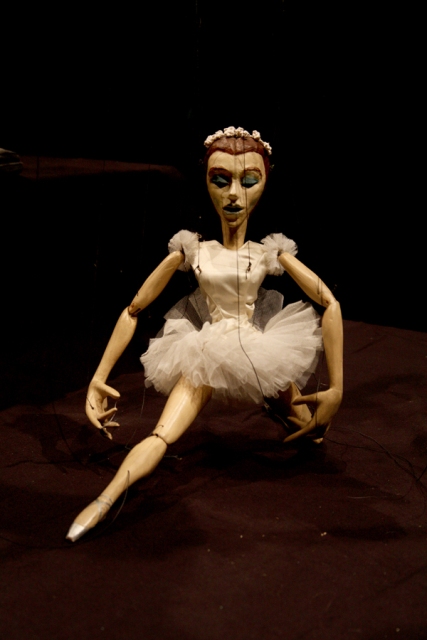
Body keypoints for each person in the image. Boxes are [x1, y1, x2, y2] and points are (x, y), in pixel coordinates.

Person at [66, 126, 343, 542]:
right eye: (220, 180)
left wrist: (337, 386)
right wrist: (99, 375)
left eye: (249, 180)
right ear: (207, 183)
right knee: (161, 435)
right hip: (206, 352)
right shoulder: (194, 250)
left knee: (314, 432)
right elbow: (134, 308)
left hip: (258, 353)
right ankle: (104, 500)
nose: (233, 194)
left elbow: (329, 303)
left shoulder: (268, 253)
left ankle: (278, 408)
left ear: (264, 184)